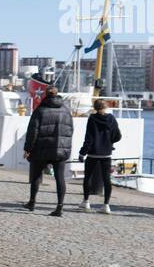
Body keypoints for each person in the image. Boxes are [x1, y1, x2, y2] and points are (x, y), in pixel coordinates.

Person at [23, 85, 74, 216]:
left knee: (36, 176)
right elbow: (70, 130)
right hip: (60, 148)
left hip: (42, 148)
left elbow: (32, 131)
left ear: (45, 94)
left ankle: (32, 202)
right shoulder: (66, 110)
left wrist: (28, 149)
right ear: (57, 94)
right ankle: (60, 207)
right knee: (60, 178)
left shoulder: (40, 110)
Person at [79, 98, 122, 213]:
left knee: (87, 178)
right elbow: (118, 135)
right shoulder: (111, 119)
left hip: (93, 153)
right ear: (106, 106)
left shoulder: (92, 118)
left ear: (95, 107)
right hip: (106, 154)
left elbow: (89, 138)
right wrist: (109, 141)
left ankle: (86, 201)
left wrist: (82, 152)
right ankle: (106, 205)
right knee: (106, 179)